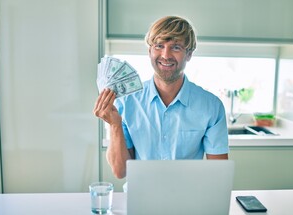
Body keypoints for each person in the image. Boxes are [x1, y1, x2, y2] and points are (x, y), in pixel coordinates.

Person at [93, 16, 229, 179]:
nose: (166, 55)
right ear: (149, 51)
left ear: (189, 54)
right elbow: (120, 172)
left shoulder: (211, 107)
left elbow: (218, 174)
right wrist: (114, 124)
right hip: (140, 198)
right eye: (159, 46)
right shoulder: (126, 102)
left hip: (188, 199)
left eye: (176, 47)